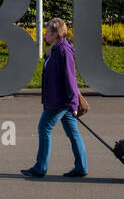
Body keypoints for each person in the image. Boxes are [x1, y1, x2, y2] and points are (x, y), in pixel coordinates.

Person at [21, 17, 88, 179]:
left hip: (60, 101)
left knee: (44, 128)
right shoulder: (57, 49)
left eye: (47, 32)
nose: (45, 35)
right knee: (73, 133)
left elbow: (70, 78)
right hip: (60, 99)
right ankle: (81, 167)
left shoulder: (64, 50)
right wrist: (47, 55)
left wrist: (73, 104)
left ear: (55, 33)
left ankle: (40, 168)